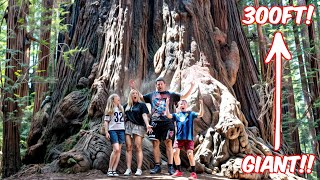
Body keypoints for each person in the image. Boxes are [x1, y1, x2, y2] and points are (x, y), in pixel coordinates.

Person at [130, 77, 195, 175]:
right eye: (158, 84)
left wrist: (191, 87)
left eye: (161, 84)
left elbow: (183, 96)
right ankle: (157, 166)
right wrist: (134, 87)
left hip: (168, 123)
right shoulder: (152, 95)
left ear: (164, 85)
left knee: (168, 143)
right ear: (156, 85)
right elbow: (142, 97)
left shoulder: (171, 94)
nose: (159, 86)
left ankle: (170, 167)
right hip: (155, 123)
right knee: (155, 144)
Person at [165, 98, 203, 179]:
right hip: (178, 138)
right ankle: (178, 171)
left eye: (184, 103)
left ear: (187, 105)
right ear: (178, 106)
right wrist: (167, 105)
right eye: (181, 104)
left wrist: (201, 104)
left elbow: (200, 114)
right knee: (175, 153)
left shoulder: (190, 114)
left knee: (190, 154)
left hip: (189, 138)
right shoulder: (176, 115)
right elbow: (168, 115)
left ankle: (193, 173)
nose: (182, 105)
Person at [123, 89, 153, 176]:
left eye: (136, 93)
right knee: (128, 147)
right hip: (128, 126)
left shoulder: (142, 105)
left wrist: (147, 125)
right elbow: (124, 117)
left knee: (138, 147)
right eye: (133, 93)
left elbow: (144, 115)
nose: (135, 94)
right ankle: (128, 169)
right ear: (130, 96)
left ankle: (139, 169)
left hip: (138, 126)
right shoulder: (126, 106)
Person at [104, 94, 125, 177]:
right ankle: (109, 169)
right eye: (118, 99)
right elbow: (106, 121)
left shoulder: (121, 108)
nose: (119, 100)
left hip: (121, 130)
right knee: (116, 149)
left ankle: (114, 170)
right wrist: (106, 132)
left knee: (119, 150)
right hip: (113, 130)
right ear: (113, 100)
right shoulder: (109, 109)